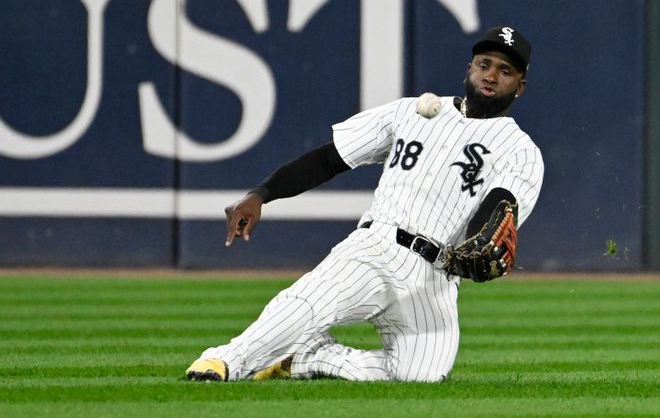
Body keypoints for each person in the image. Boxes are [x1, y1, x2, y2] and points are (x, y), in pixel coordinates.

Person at [186, 26, 544, 383]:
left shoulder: (520, 150)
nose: (492, 75)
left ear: (520, 87)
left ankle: (310, 357)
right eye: (485, 64)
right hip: (378, 248)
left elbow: (500, 204)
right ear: (469, 68)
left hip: (435, 277)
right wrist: (261, 194)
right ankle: (223, 360)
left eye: (505, 71)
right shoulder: (409, 113)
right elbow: (330, 159)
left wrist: (481, 238)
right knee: (311, 301)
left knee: (419, 376)